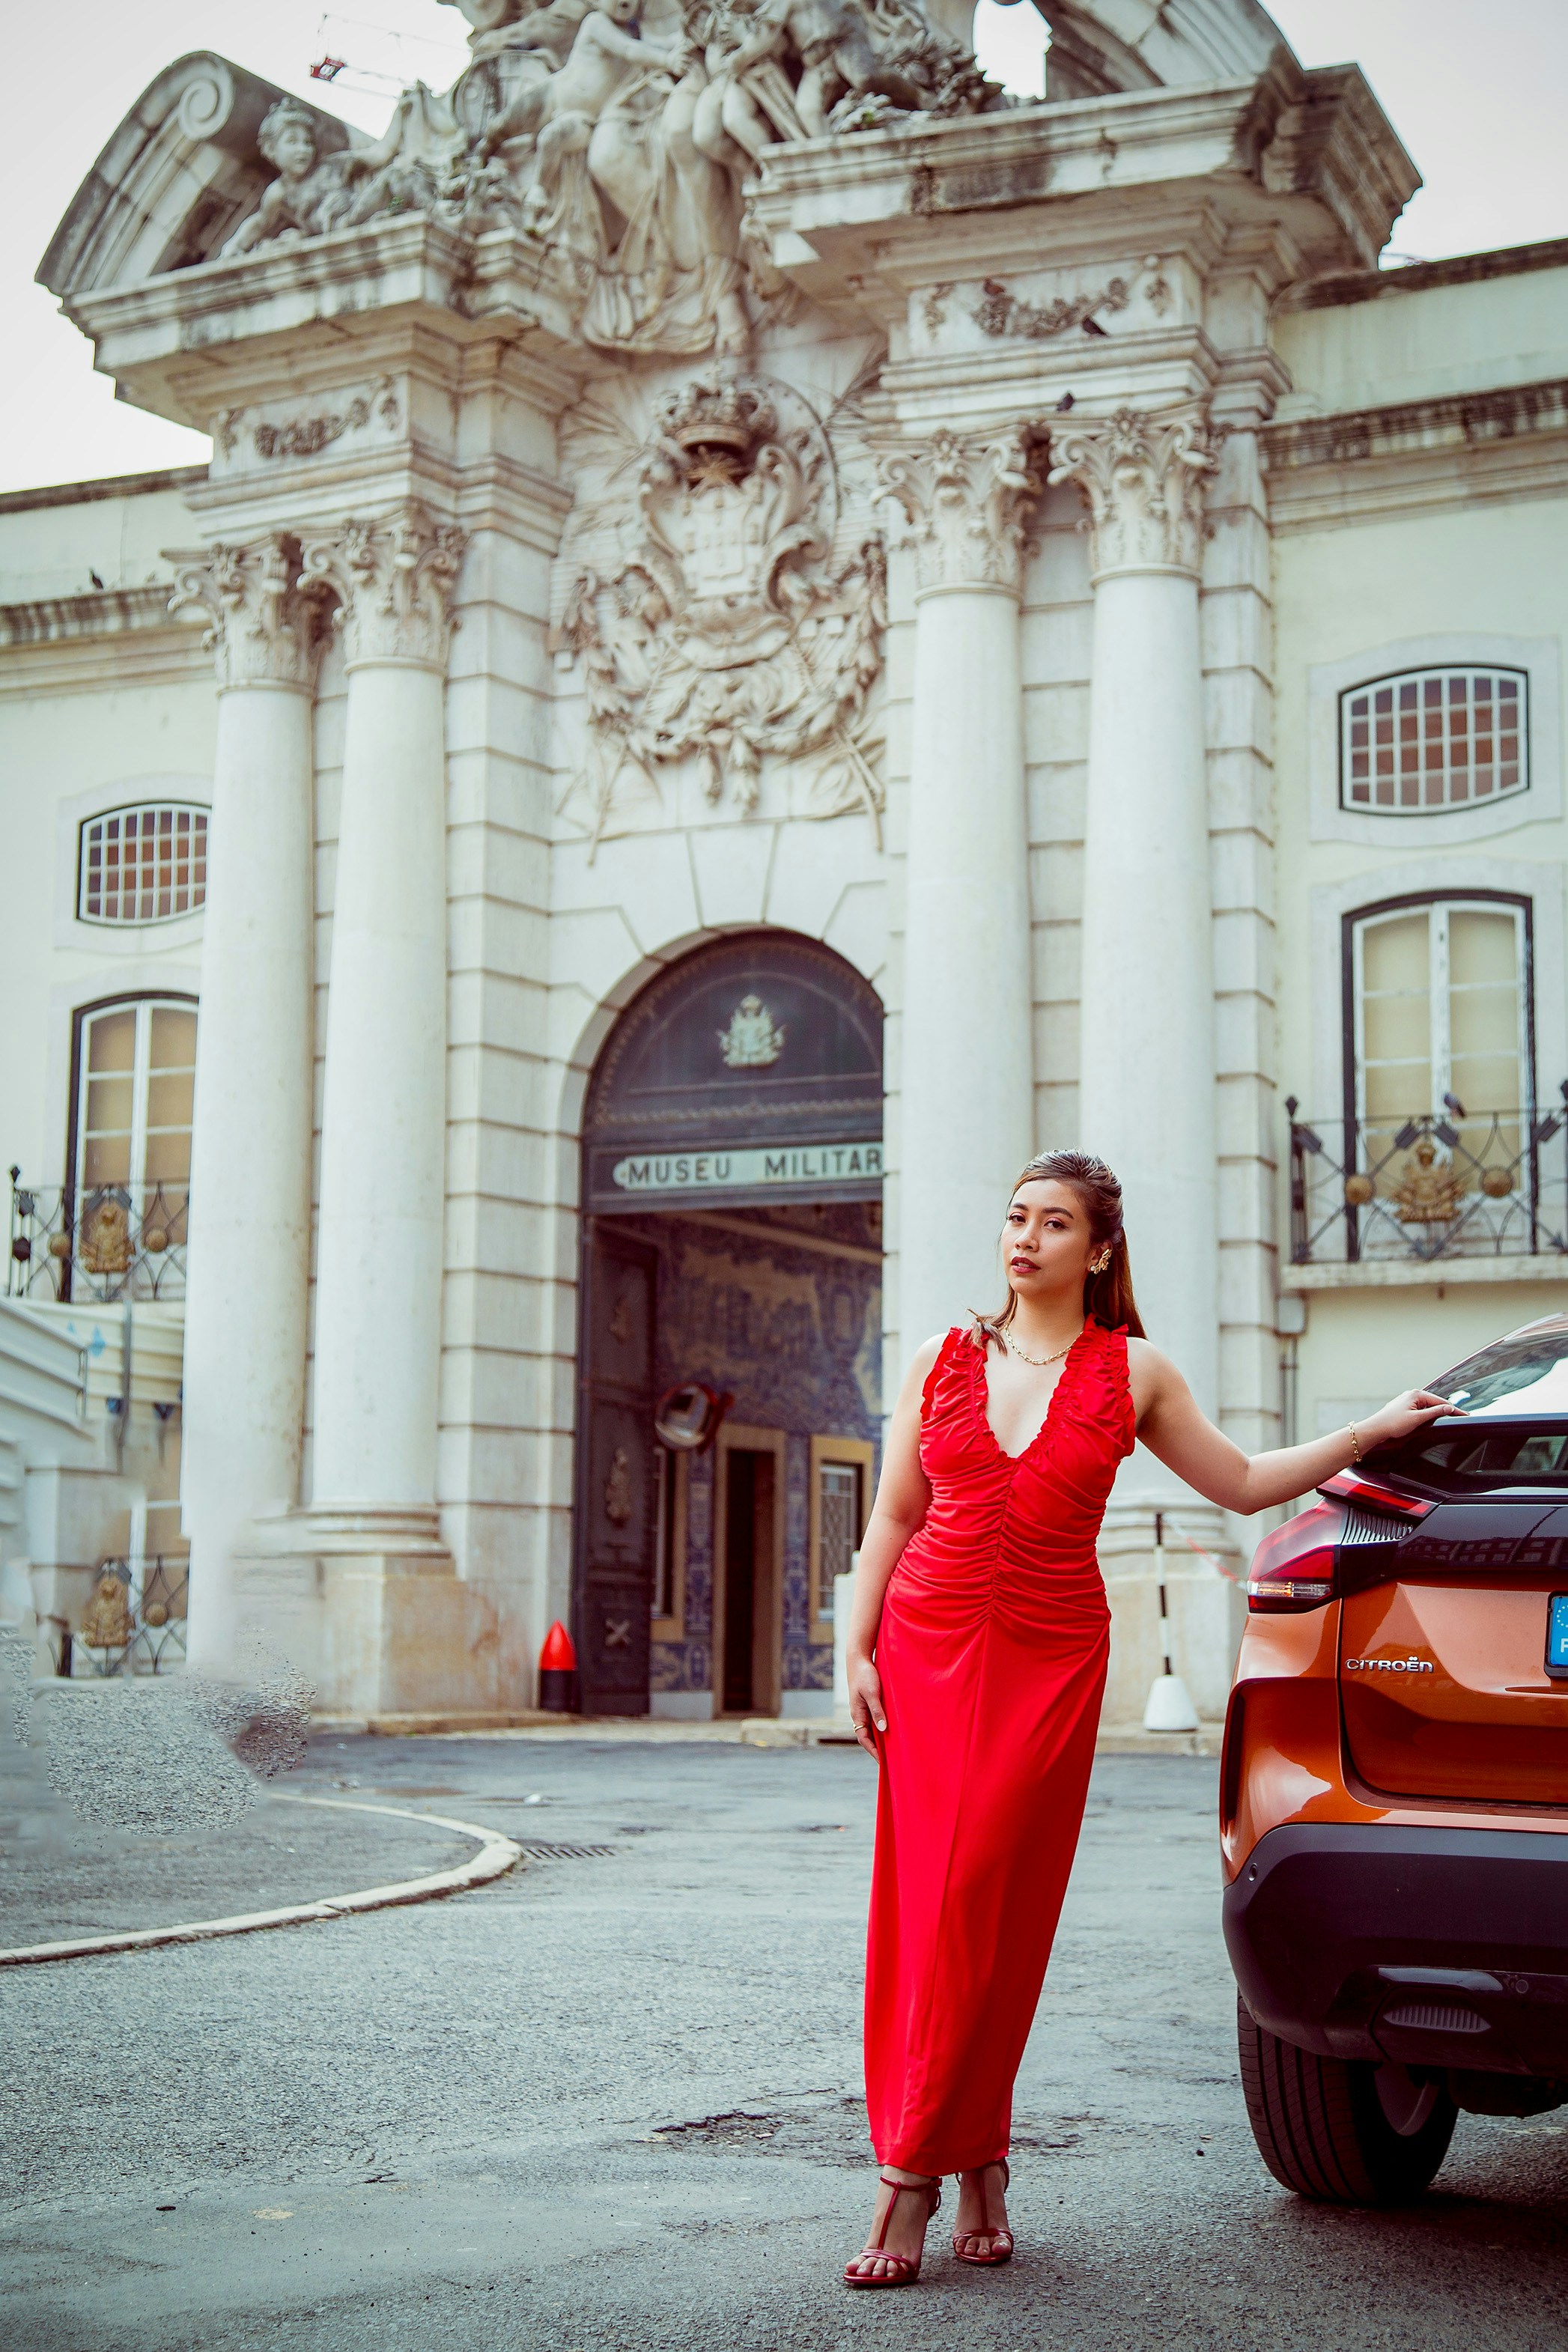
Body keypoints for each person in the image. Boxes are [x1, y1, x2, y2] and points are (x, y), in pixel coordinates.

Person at [842, 1149, 1453, 2287]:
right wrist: (852, 1646)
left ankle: (928, 2164)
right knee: (925, 1907)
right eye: (1014, 1215)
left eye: (1053, 1221)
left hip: (1047, 1656)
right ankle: (944, 2163)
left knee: (994, 1905)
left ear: (1099, 1248)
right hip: (926, 1649)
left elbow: (1242, 1480)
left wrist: (1365, 1433)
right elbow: (892, 1514)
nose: (1023, 1237)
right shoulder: (938, 1356)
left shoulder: (1134, 1373)